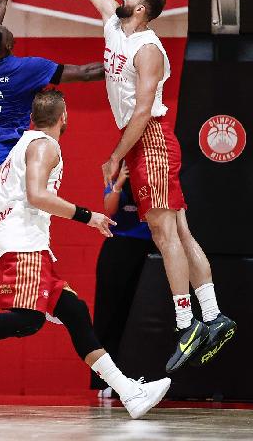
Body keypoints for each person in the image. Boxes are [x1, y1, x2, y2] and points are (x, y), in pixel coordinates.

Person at [40, 0, 237, 373]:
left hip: (149, 138)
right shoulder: (113, 22)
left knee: (163, 232)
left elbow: (145, 110)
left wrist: (114, 159)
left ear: (142, 7)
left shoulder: (148, 48)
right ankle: (212, 315)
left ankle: (186, 322)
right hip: (140, 141)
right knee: (181, 231)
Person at [0, 89, 171, 419]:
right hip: (25, 246)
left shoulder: (19, 148)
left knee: (75, 312)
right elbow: (36, 195)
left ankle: (129, 392)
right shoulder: (45, 146)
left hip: (20, 242)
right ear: (64, 117)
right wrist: (87, 216)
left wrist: (12, 221)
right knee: (28, 320)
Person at [0, 0, 105, 325]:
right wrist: (121, 62)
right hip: (12, 153)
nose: (3, 24)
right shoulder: (25, 68)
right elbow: (82, 72)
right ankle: (44, 287)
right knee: (31, 217)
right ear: (8, 44)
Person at [91, 162, 156, 394]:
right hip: (119, 247)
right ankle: (106, 381)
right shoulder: (114, 174)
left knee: (141, 315)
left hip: (149, 249)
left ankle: (140, 376)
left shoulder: (153, 177)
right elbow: (108, 210)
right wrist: (119, 183)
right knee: (110, 313)